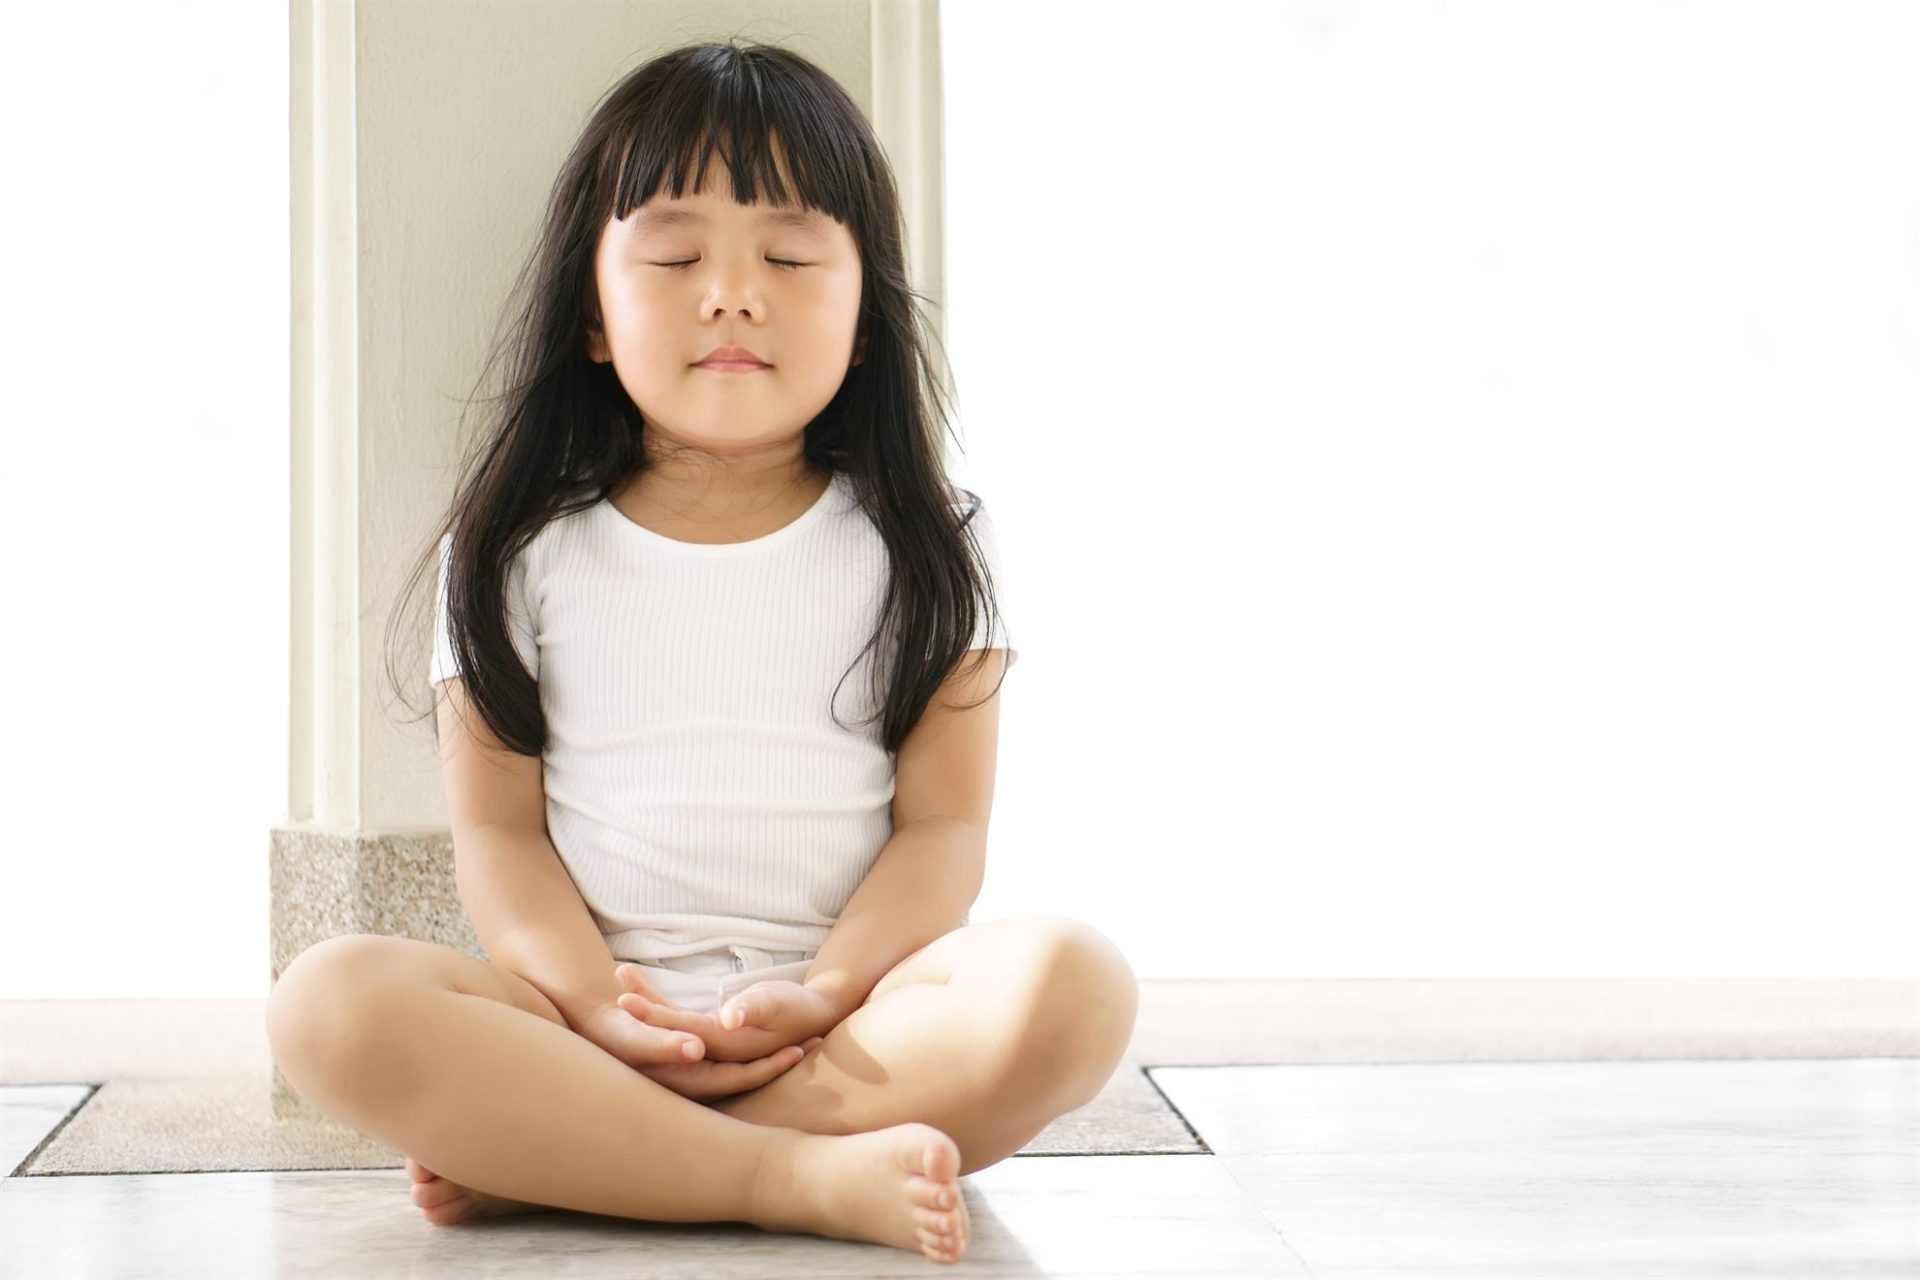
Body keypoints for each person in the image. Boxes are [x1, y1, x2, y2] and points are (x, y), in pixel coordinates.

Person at [266, 39, 1136, 1265]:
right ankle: (784, 1172)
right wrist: (592, 1008)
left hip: (855, 1024)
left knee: (1076, 987)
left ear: (867, 315)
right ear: (593, 317)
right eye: (675, 258)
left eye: (787, 255)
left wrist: (830, 990)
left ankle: (593, 1157)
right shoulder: (513, 544)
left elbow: (945, 831)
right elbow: (500, 837)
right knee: (326, 1002)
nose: (732, 293)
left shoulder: (934, 544)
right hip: (588, 1020)